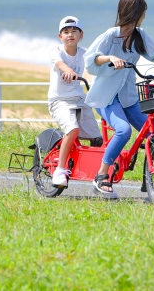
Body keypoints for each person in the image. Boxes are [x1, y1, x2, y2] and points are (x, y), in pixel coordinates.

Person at [84, 0, 154, 202]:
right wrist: (110, 58)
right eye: (142, 12)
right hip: (106, 98)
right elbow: (91, 59)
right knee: (123, 130)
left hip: (129, 99)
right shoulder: (110, 35)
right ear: (135, 13)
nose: (144, 16)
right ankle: (101, 175)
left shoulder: (139, 35)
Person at [47, 16, 103, 187]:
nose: (70, 34)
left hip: (79, 99)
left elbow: (96, 62)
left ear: (81, 35)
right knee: (73, 130)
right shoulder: (55, 51)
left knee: (97, 138)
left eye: (74, 31)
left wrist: (110, 62)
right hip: (59, 100)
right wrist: (69, 70)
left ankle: (96, 172)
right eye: (66, 32)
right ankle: (60, 170)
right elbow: (60, 64)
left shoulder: (84, 54)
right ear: (60, 36)